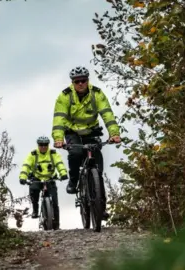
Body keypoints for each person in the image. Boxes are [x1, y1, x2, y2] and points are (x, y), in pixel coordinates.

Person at [51, 66, 121, 220]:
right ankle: (74, 180)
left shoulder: (97, 93)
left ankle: (101, 209)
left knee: (98, 170)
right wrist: (58, 138)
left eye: (83, 80)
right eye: (77, 81)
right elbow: (59, 119)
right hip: (72, 132)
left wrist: (114, 134)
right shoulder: (65, 96)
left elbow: (107, 114)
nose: (81, 83)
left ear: (88, 80)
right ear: (73, 82)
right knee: (75, 153)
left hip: (91, 131)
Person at [18, 136, 68, 229]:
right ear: (38, 145)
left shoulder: (53, 153)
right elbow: (26, 165)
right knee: (34, 191)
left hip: (50, 178)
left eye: (45, 145)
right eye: (41, 145)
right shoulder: (33, 155)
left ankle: (56, 224)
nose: (43, 147)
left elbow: (59, 163)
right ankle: (35, 211)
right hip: (37, 178)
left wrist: (63, 173)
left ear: (48, 145)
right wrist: (23, 177)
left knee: (55, 201)